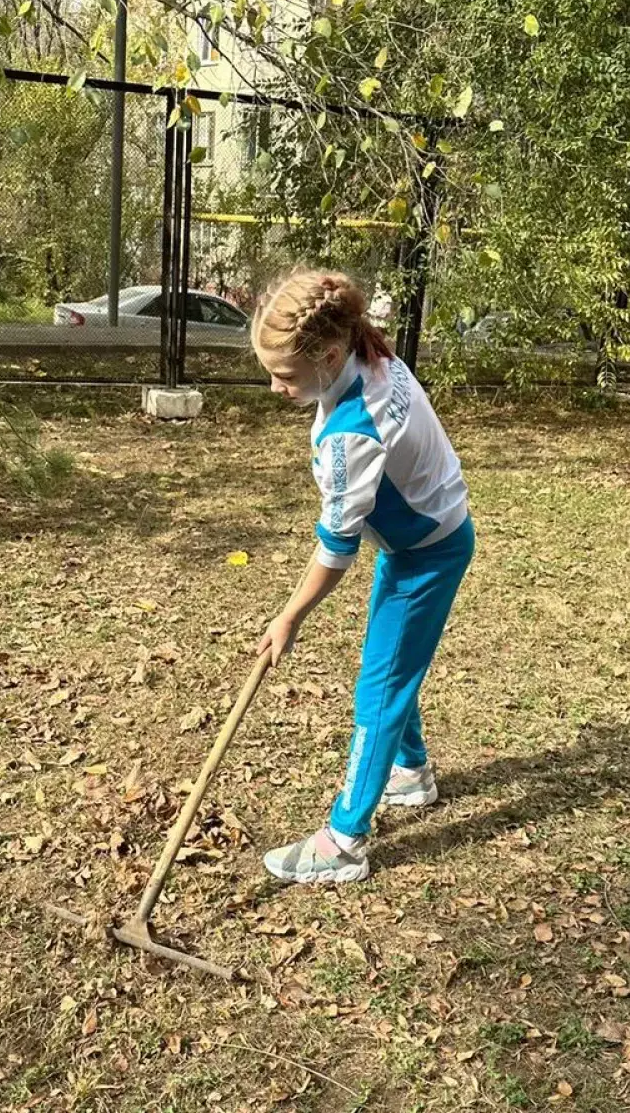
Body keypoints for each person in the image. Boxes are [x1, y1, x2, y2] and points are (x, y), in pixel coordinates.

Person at [251, 268, 475, 884]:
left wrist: (289, 616)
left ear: (328, 354)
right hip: (424, 539)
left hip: (425, 555)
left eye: (286, 375)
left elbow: (336, 548)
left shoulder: (355, 433)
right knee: (392, 668)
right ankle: (412, 772)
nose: (274, 388)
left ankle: (344, 841)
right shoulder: (368, 351)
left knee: (380, 687)